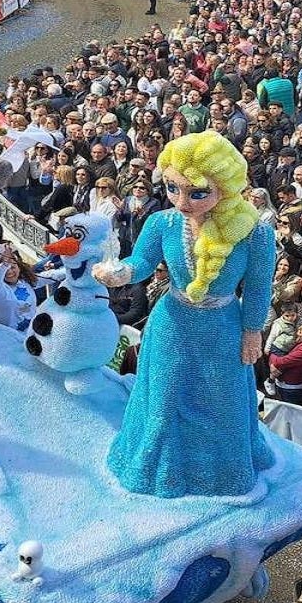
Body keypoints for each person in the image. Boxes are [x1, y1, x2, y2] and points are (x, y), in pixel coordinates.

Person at [92, 131, 278, 498]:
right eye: (173, 189)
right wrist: (123, 273)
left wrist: (253, 331)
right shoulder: (162, 222)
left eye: (196, 193)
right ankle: (155, 468)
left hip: (223, 326)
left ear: (224, 188)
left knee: (220, 400)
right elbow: (144, 261)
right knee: (163, 396)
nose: (181, 202)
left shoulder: (255, 233)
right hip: (172, 322)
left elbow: (258, 287)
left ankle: (221, 474)